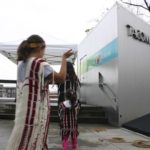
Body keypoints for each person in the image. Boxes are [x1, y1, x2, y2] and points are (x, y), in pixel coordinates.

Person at [6, 34, 73, 150]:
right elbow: (61, 78)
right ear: (40, 47)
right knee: (34, 141)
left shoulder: (21, 64)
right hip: (36, 113)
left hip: (22, 112)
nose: (44, 53)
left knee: (22, 140)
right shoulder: (40, 63)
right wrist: (64, 59)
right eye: (44, 50)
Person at [57, 61, 81, 150]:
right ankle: (74, 145)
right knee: (74, 125)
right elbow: (78, 90)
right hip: (74, 104)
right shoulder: (75, 78)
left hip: (62, 103)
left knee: (64, 126)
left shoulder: (61, 78)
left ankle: (65, 146)